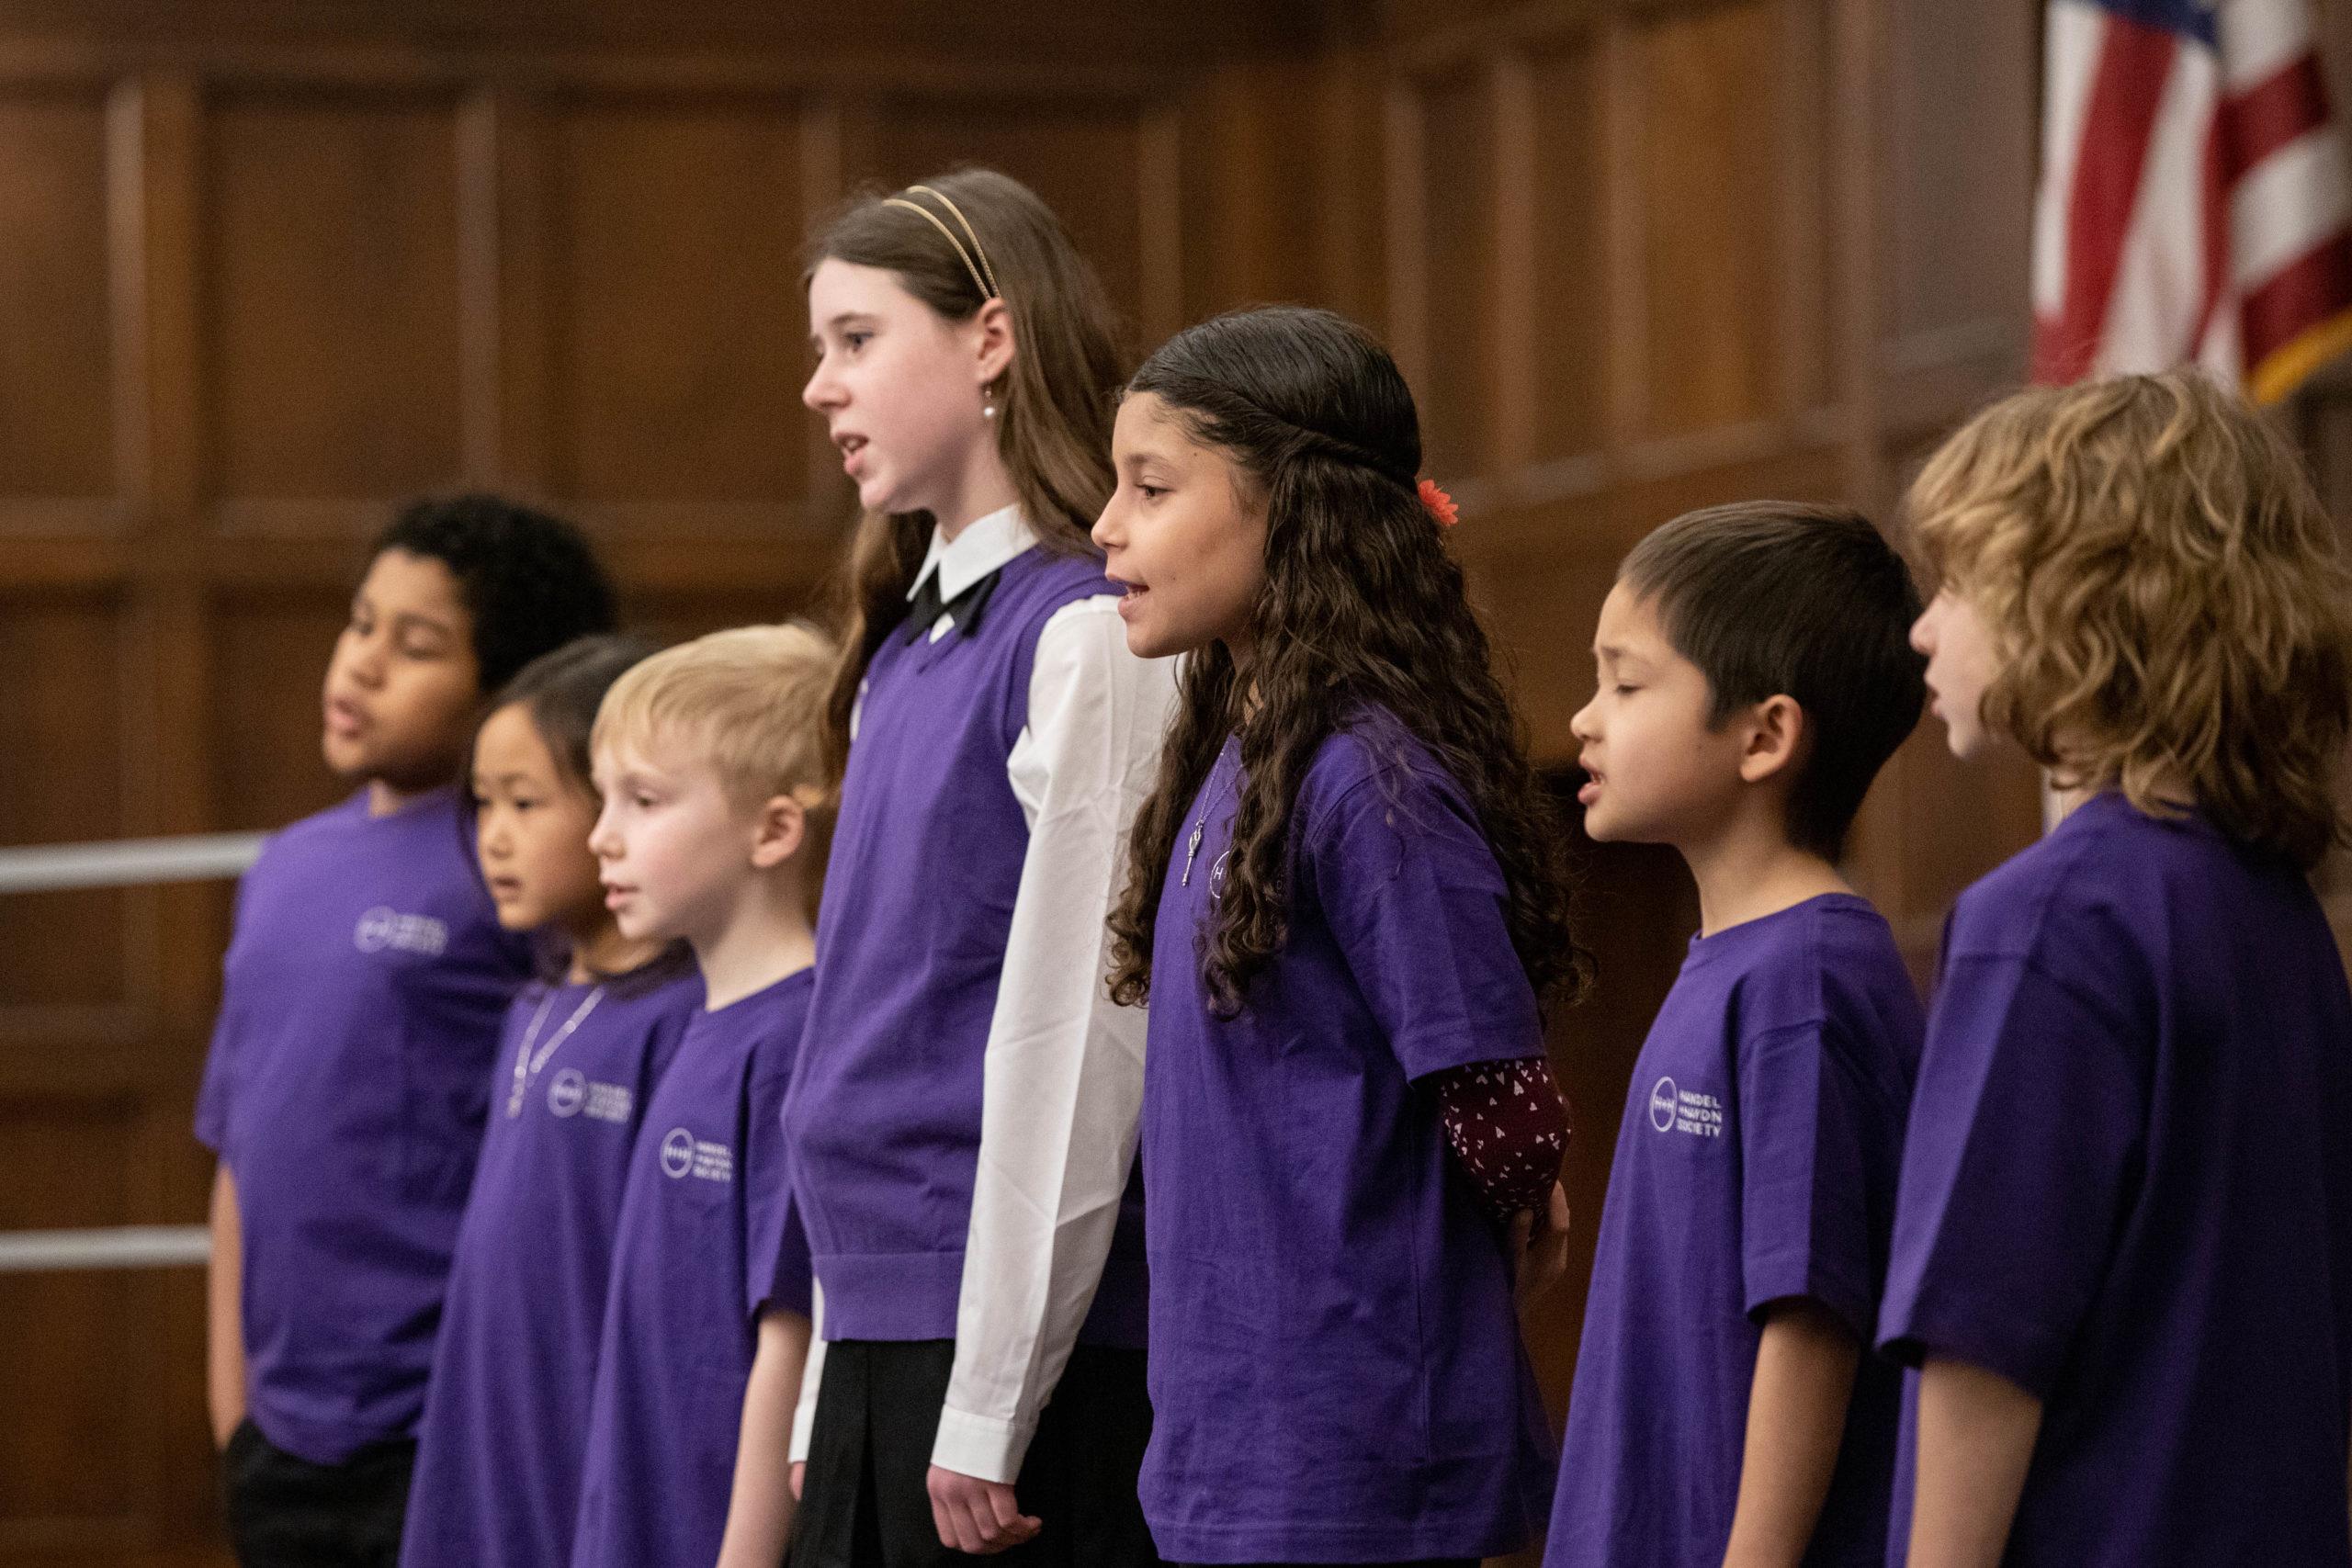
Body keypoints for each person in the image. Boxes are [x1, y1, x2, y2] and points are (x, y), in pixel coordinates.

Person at [1093, 303, 1581, 1568]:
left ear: (1294, 508)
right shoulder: (1238, 755)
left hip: (1354, 1446)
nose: (1107, 525)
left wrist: (1512, 1211)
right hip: (1236, 1435)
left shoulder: (1369, 776)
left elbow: (1499, 1094)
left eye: (1151, 486)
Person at [1880, 369, 2352, 1568]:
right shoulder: (2277, 908)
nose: (1923, 627)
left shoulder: (2046, 920)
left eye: (1958, 585)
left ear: (2075, 601)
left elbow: (1985, 1339)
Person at [782, 169, 1180, 1567]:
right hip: (894, 1328)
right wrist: (837, 1357)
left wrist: (993, 1392)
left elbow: (1080, 1035)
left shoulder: (1080, 633)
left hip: (1013, 1348)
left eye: (856, 339)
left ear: (990, 338)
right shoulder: (902, 646)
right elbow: (863, 1032)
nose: (823, 388)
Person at [198, 494, 616, 1566]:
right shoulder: (285, 865)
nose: (364, 662)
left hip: (446, 1424)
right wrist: (235, 1411)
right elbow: (242, 1154)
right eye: (360, 622)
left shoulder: (521, 869)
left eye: (417, 643)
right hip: (282, 1439)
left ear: (503, 686)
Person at [1544, 502, 1928, 1568]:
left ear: (1764, 735)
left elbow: (1811, 1320)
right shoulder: (1735, 961)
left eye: (1625, 684)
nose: (1583, 719)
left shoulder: (1804, 982)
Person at [398, 635, 700, 1568]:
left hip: (588, 1446)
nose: (493, 834)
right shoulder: (534, 1000)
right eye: (482, 803)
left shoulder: (684, 1016)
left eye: (526, 803)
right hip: (488, 1434)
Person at [566, 624, 837, 1568]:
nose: (602, 835)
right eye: (605, 800)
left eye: (643, 800)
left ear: (772, 828)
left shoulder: (794, 1037)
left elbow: (788, 1340)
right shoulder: (698, 1024)